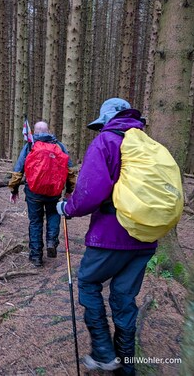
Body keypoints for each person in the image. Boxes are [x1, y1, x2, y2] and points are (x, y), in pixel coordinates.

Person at [56, 98, 157, 376]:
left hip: (113, 235)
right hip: (146, 236)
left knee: (88, 282)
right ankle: (126, 367)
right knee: (124, 296)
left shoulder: (107, 141)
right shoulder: (147, 143)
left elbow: (90, 192)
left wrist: (67, 207)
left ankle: (103, 352)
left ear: (107, 120)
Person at [8, 121, 76, 268]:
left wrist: (14, 189)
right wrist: (69, 191)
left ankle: (36, 256)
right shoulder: (59, 146)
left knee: (35, 222)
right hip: (54, 192)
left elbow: (18, 169)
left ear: (35, 132)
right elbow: (70, 171)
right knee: (53, 214)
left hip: (33, 193)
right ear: (49, 131)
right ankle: (51, 240)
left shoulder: (30, 146)